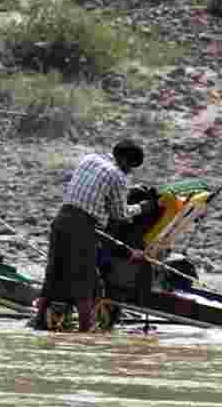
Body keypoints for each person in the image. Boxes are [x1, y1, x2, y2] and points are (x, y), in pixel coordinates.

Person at [31, 138, 154, 332]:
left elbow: (95, 190)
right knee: (85, 280)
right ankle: (85, 333)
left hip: (61, 219)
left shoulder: (89, 159)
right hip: (83, 226)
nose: (129, 171)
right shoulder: (118, 176)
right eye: (130, 166)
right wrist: (142, 207)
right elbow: (119, 214)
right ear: (123, 159)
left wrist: (124, 193)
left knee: (54, 273)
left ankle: (38, 321)